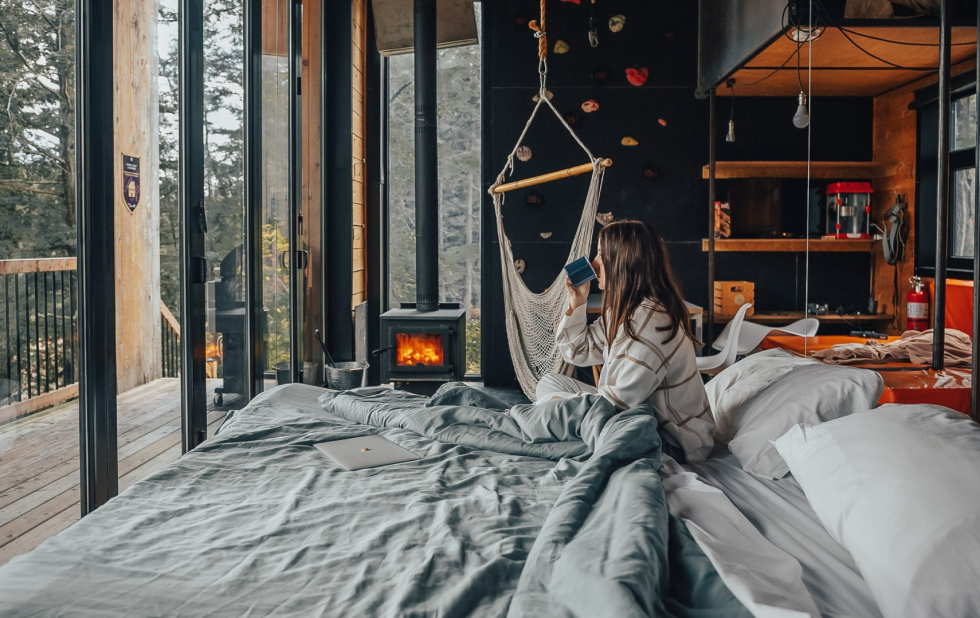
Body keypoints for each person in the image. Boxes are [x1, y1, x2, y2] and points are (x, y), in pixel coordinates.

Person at [537, 220, 715, 462]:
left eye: (600, 254)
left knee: (552, 406)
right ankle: (562, 423)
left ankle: (561, 428)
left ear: (622, 261)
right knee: (549, 384)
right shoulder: (627, 311)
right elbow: (577, 351)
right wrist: (577, 301)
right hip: (632, 413)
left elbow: (620, 402)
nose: (594, 263)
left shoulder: (651, 321)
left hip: (671, 438)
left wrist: (566, 404)